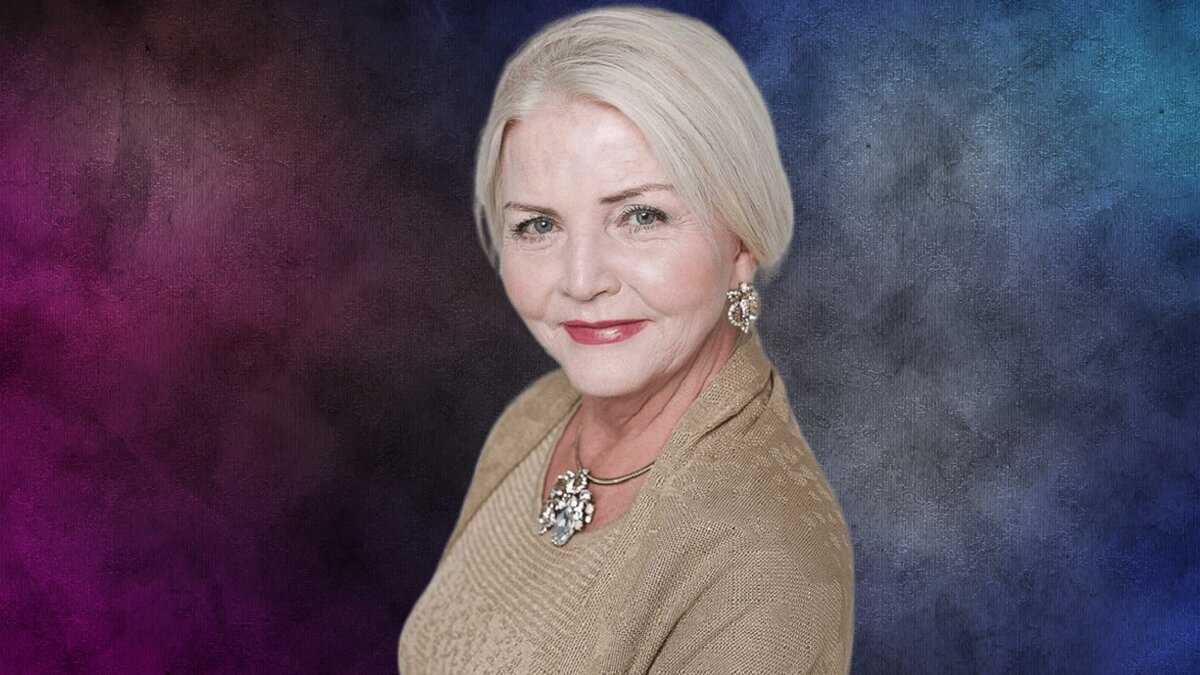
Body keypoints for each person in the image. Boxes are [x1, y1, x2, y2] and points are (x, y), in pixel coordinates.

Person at [399, 6, 853, 673]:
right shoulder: (534, 419)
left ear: (742, 241)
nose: (582, 281)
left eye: (641, 216)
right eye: (538, 225)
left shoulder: (763, 567)